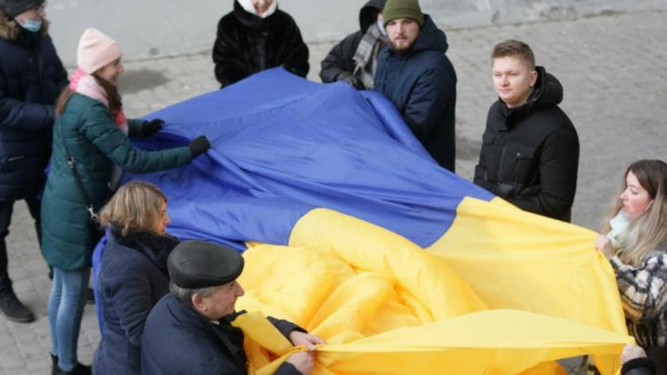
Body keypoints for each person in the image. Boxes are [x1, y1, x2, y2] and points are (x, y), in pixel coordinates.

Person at [41, 28, 211, 375]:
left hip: (62, 203)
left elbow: (108, 128)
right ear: (99, 68)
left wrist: (140, 126)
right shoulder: (89, 107)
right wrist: (188, 153)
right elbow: (133, 160)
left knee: (61, 287)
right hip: (73, 212)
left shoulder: (80, 94)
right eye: (115, 63)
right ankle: (68, 367)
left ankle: (60, 358)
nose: (120, 68)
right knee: (71, 292)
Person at [142, 240, 326, 375]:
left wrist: (289, 332)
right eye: (230, 286)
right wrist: (292, 371)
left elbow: (236, 322)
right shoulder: (210, 366)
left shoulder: (170, 305)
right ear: (200, 301)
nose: (241, 291)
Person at [0, 0, 67, 323]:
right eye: (35, 8)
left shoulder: (42, 38)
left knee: (50, 219)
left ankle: (63, 281)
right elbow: (3, 108)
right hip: (6, 157)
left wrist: (74, 101)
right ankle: (4, 293)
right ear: (12, 12)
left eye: (42, 6)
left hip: (45, 149)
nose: (42, 14)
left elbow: (60, 79)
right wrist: (52, 115)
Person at [473, 39, 579, 222]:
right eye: (497, 75)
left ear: (532, 78)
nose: (503, 82)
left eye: (512, 74)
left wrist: (498, 209)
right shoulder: (495, 112)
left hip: (532, 236)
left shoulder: (557, 131)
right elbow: (483, 171)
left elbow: (555, 203)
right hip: (492, 225)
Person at [93, 182, 179, 375]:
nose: (168, 220)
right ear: (142, 218)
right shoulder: (126, 267)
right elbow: (140, 332)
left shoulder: (141, 249)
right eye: (161, 213)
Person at [595, 160, 667, 374]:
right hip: (618, 346)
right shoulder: (620, 230)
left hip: (648, 357)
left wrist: (611, 262)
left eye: (634, 191)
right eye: (626, 187)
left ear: (655, 202)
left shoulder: (663, 249)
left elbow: (644, 305)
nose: (623, 196)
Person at [373, 0, 457, 172]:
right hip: (391, 163)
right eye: (392, 23)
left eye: (407, 22)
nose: (399, 31)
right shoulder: (386, 56)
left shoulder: (434, 68)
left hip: (425, 172)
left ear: (419, 24)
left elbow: (412, 130)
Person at [212, 0, 309, 88]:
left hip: (282, 89)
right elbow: (225, 67)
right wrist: (253, 85)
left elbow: (299, 59)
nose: (262, 2)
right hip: (242, 92)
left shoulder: (286, 22)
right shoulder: (228, 24)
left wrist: (282, 81)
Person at [319, 0, 387, 90]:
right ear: (375, 14)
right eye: (387, 14)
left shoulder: (407, 45)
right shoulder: (360, 40)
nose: (398, 29)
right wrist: (342, 76)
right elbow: (328, 67)